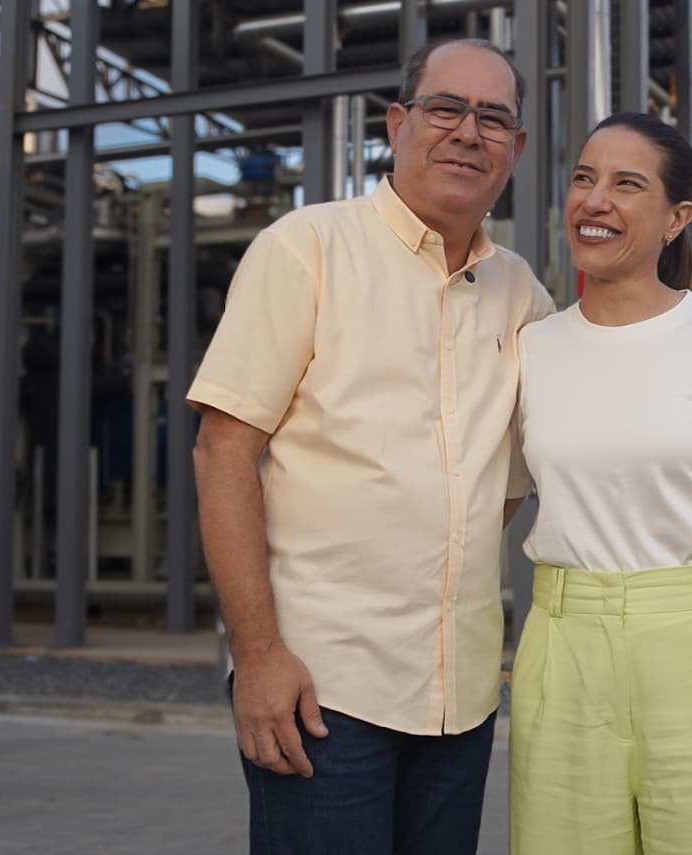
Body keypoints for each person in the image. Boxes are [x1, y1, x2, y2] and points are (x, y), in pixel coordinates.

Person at [188, 39, 554, 855]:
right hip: (322, 688)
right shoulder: (306, 249)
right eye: (445, 109)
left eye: (494, 118)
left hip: (459, 698)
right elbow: (222, 453)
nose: (469, 132)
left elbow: (505, 485)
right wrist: (257, 655)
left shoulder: (522, 293)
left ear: (517, 149)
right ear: (398, 123)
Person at [508, 112, 692, 854]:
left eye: (625, 184)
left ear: (678, 218)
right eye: (584, 178)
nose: (595, 200)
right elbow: (491, 504)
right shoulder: (531, 347)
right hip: (563, 647)